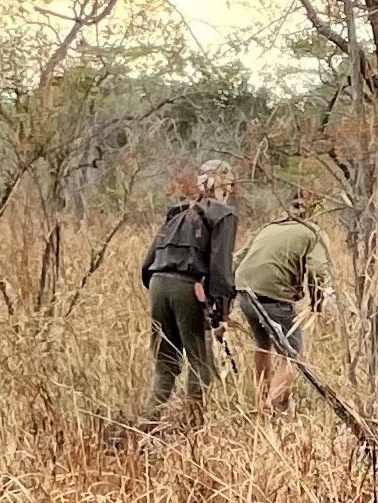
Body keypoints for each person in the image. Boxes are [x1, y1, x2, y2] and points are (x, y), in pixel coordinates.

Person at [139, 163, 237, 432]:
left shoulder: (177, 211)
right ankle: (191, 432)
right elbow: (221, 269)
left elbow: (147, 265)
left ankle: (147, 425)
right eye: (229, 186)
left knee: (166, 365)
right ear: (223, 185)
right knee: (201, 366)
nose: (230, 192)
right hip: (189, 288)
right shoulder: (223, 215)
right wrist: (221, 313)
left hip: (158, 285)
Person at [231, 197, 335, 414]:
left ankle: (262, 401)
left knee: (262, 345)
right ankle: (269, 406)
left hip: (244, 292)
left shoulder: (268, 227)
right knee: (293, 356)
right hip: (275, 297)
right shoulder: (314, 232)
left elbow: (237, 259)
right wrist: (317, 302)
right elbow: (317, 270)